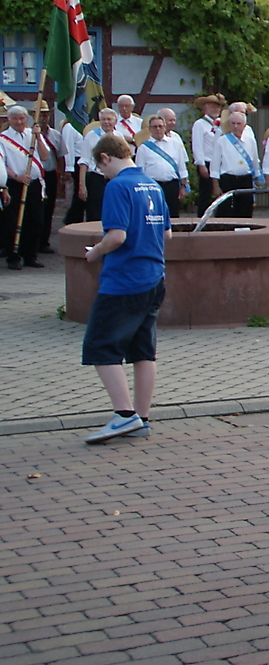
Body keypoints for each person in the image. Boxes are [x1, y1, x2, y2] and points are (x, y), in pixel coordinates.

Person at [80, 134, 171, 444]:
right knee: (143, 350)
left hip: (124, 280)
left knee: (100, 346)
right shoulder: (153, 184)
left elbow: (116, 236)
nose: (102, 174)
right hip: (154, 277)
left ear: (106, 158)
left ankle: (123, 414)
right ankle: (141, 418)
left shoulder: (117, 186)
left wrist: (95, 252)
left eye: (100, 167)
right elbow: (167, 234)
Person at [2, 104, 46, 269]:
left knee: (35, 220)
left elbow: (45, 156)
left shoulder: (32, 134)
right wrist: (16, 176)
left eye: (22, 118)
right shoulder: (3, 138)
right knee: (12, 221)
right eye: (15, 118)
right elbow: (2, 164)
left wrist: (39, 137)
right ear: (9, 120)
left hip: (34, 184)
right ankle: (13, 256)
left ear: (26, 119)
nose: (19, 122)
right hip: (15, 183)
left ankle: (30, 255)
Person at [136, 114, 190, 218]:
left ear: (164, 127)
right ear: (150, 129)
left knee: (173, 215)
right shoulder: (143, 148)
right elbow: (140, 171)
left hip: (172, 185)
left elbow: (181, 167)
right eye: (154, 126)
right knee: (154, 215)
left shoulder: (175, 144)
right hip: (153, 185)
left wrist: (183, 186)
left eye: (160, 126)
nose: (158, 129)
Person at [212, 110, 263, 218]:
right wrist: (215, 185)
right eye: (233, 123)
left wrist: (258, 178)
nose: (235, 126)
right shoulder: (222, 141)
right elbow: (215, 165)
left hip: (245, 179)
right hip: (227, 180)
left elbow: (255, 160)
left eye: (238, 123)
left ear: (244, 125)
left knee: (245, 209)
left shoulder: (250, 140)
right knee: (225, 210)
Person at [80, 109, 123, 222]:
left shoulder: (119, 136)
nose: (106, 122)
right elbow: (84, 161)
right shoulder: (91, 136)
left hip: (114, 179)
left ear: (115, 121)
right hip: (97, 178)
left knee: (114, 210)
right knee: (95, 213)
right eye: (103, 119)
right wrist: (82, 186)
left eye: (109, 119)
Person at [31, 101, 62, 251]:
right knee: (34, 210)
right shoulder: (28, 135)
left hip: (50, 175)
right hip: (34, 177)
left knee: (48, 209)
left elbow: (61, 156)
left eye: (45, 115)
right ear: (33, 116)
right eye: (40, 115)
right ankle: (32, 242)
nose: (43, 118)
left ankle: (44, 242)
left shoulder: (56, 135)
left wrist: (62, 175)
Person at [191, 93, 225, 217]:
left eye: (217, 107)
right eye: (212, 107)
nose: (215, 109)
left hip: (220, 162)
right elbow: (197, 145)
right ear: (205, 109)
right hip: (207, 161)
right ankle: (203, 219)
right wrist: (201, 164)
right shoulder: (199, 124)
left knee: (220, 193)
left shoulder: (221, 123)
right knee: (206, 194)